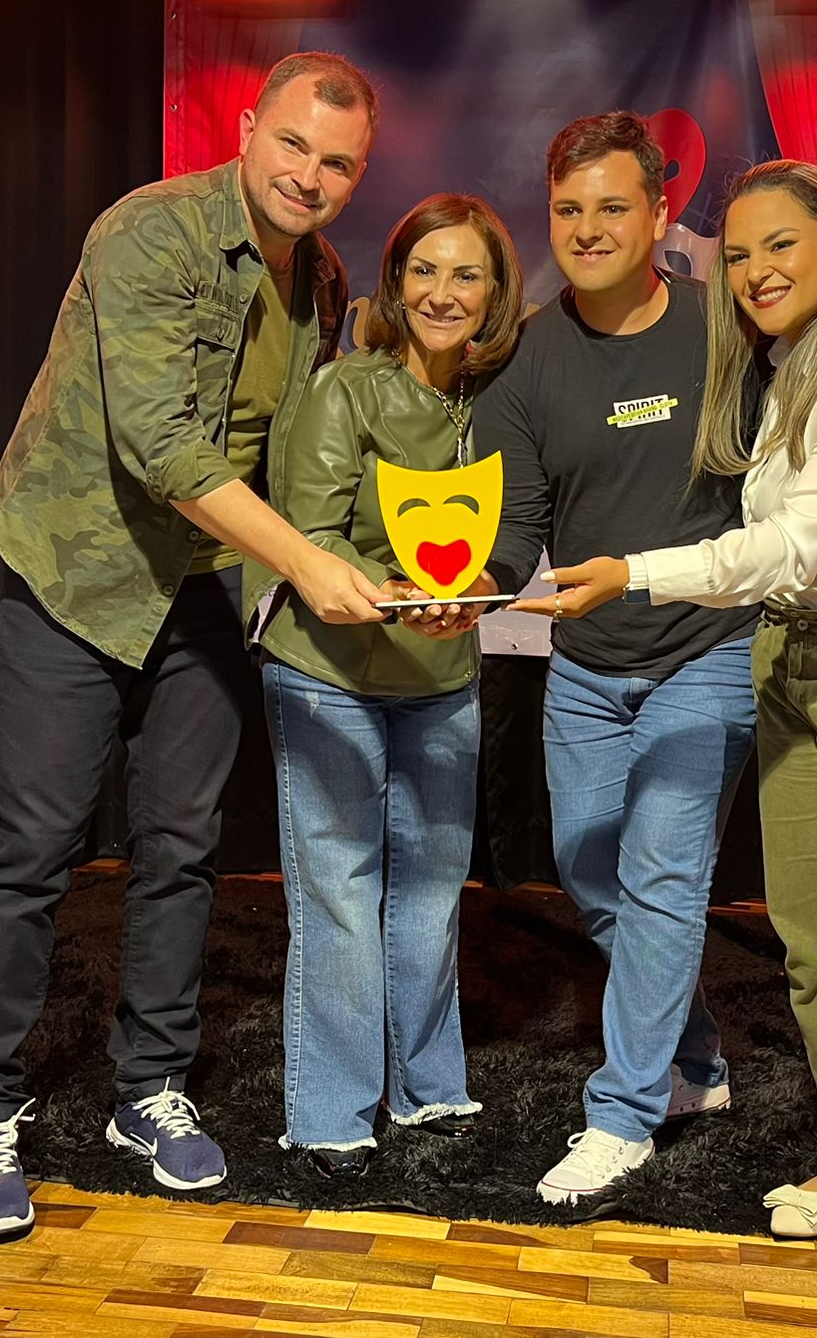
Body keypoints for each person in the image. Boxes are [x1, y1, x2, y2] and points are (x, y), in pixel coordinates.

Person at [524, 159, 817, 1289]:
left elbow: (785, 546)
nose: (754, 272)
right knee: (811, 939)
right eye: (736, 254)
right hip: (799, 655)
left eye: (780, 245)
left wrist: (633, 572)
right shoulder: (789, 365)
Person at [0, 53, 386, 1240]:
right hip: (80, 577)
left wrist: (360, 553)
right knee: (33, 851)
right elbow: (162, 444)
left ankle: (147, 1087)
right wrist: (304, 564)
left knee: (183, 851)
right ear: (245, 127)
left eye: (338, 162)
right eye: (292, 144)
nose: (309, 176)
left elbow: (291, 451)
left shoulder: (321, 279)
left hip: (200, 590)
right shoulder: (149, 231)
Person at [432, 112, 762, 1205]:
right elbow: (516, 530)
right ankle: (696, 1057)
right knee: (592, 877)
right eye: (568, 209)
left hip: (707, 648)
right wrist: (463, 589)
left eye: (612, 206)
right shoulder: (525, 357)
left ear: (660, 215)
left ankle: (623, 1113)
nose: (587, 228)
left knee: (661, 877)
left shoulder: (728, 331)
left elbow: (812, 459)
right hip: (585, 664)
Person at [249, 193, 524, 1178]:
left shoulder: (497, 401)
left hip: (443, 677)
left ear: (495, 291)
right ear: (395, 283)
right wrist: (401, 594)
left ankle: (428, 1085)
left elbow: (516, 529)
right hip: (330, 676)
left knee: (432, 894)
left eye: (466, 274)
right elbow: (310, 535)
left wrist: (475, 595)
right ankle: (331, 1113)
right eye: (424, 270)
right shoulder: (345, 391)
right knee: (340, 892)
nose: (444, 293)